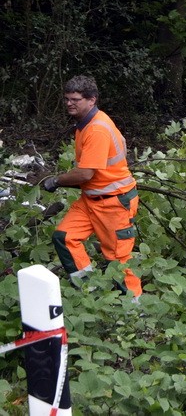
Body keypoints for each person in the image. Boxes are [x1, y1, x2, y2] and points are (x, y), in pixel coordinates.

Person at [40, 75, 142, 297]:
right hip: (91, 200)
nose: (69, 103)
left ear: (91, 100)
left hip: (114, 203)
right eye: (67, 99)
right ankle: (90, 290)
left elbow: (85, 173)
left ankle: (135, 310)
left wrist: (56, 180)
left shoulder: (96, 129)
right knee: (64, 237)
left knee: (118, 259)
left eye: (75, 99)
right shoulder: (87, 123)